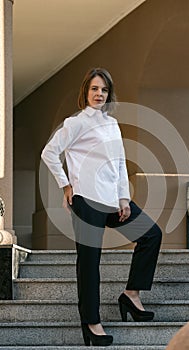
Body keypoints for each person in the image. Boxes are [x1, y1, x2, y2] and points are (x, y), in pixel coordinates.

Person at [41, 67, 162, 346]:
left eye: (104, 90)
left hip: (112, 199)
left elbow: (119, 163)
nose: (99, 94)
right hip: (86, 199)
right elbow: (49, 152)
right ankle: (92, 323)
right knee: (90, 261)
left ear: (109, 94)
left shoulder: (111, 124)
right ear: (86, 91)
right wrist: (67, 185)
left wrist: (123, 198)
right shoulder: (76, 123)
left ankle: (131, 295)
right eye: (94, 89)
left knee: (151, 234)